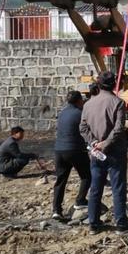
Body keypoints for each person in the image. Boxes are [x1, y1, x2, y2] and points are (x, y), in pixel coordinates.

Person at [79, 71, 128, 235]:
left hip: (95, 153)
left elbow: (83, 128)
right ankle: (121, 223)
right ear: (114, 83)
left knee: (95, 188)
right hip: (115, 152)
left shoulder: (88, 104)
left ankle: (93, 223)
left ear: (99, 84)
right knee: (118, 187)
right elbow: (118, 129)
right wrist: (105, 144)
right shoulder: (118, 103)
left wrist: (94, 143)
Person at [53, 91, 91, 220]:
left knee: (60, 180)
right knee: (87, 176)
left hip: (59, 150)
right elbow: (86, 131)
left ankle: (56, 210)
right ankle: (80, 201)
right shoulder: (80, 114)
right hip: (74, 149)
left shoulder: (62, 113)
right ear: (79, 101)